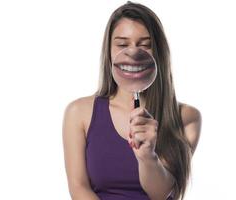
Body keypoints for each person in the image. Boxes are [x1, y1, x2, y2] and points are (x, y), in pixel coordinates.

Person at [62, 2, 202, 200]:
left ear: (159, 52)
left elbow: (162, 194)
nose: (134, 53)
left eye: (145, 45)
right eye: (122, 44)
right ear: (108, 51)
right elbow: (79, 188)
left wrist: (147, 156)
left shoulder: (186, 117)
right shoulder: (78, 112)